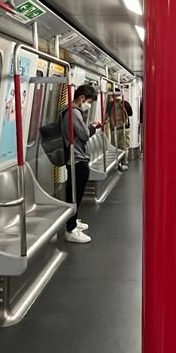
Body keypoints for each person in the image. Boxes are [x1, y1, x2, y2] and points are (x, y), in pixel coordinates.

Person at [63, 84, 101, 243]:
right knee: (75, 193)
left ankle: (73, 220)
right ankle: (70, 229)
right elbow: (84, 135)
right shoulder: (74, 112)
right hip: (77, 158)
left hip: (75, 157)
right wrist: (92, 127)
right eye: (89, 102)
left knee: (75, 192)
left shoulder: (70, 111)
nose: (89, 105)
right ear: (82, 98)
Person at [105, 87, 133, 171]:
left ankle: (117, 164)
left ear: (112, 95)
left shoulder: (110, 104)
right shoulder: (125, 103)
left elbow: (106, 115)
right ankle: (124, 163)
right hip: (125, 128)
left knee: (115, 147)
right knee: (124, 146)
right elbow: (130, 114)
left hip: (114, 129)